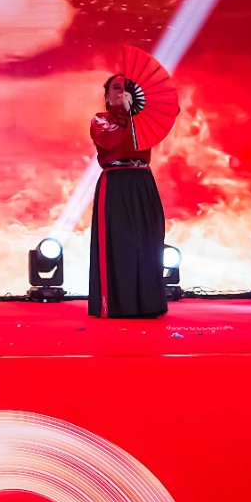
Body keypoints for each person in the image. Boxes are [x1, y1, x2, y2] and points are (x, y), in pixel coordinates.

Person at [88, 74, 168, 319]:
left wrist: (142, 104)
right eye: (116, 88)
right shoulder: (100, 120)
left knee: (148, 243)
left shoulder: (142, 119)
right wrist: (123, 112)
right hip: (116, 182)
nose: (122, 92)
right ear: (106, 96)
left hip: (142, 181)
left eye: (127, 88)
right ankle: (117, 304)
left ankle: (148, 303)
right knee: (120, 243)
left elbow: (169, 112)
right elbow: (109, 141)